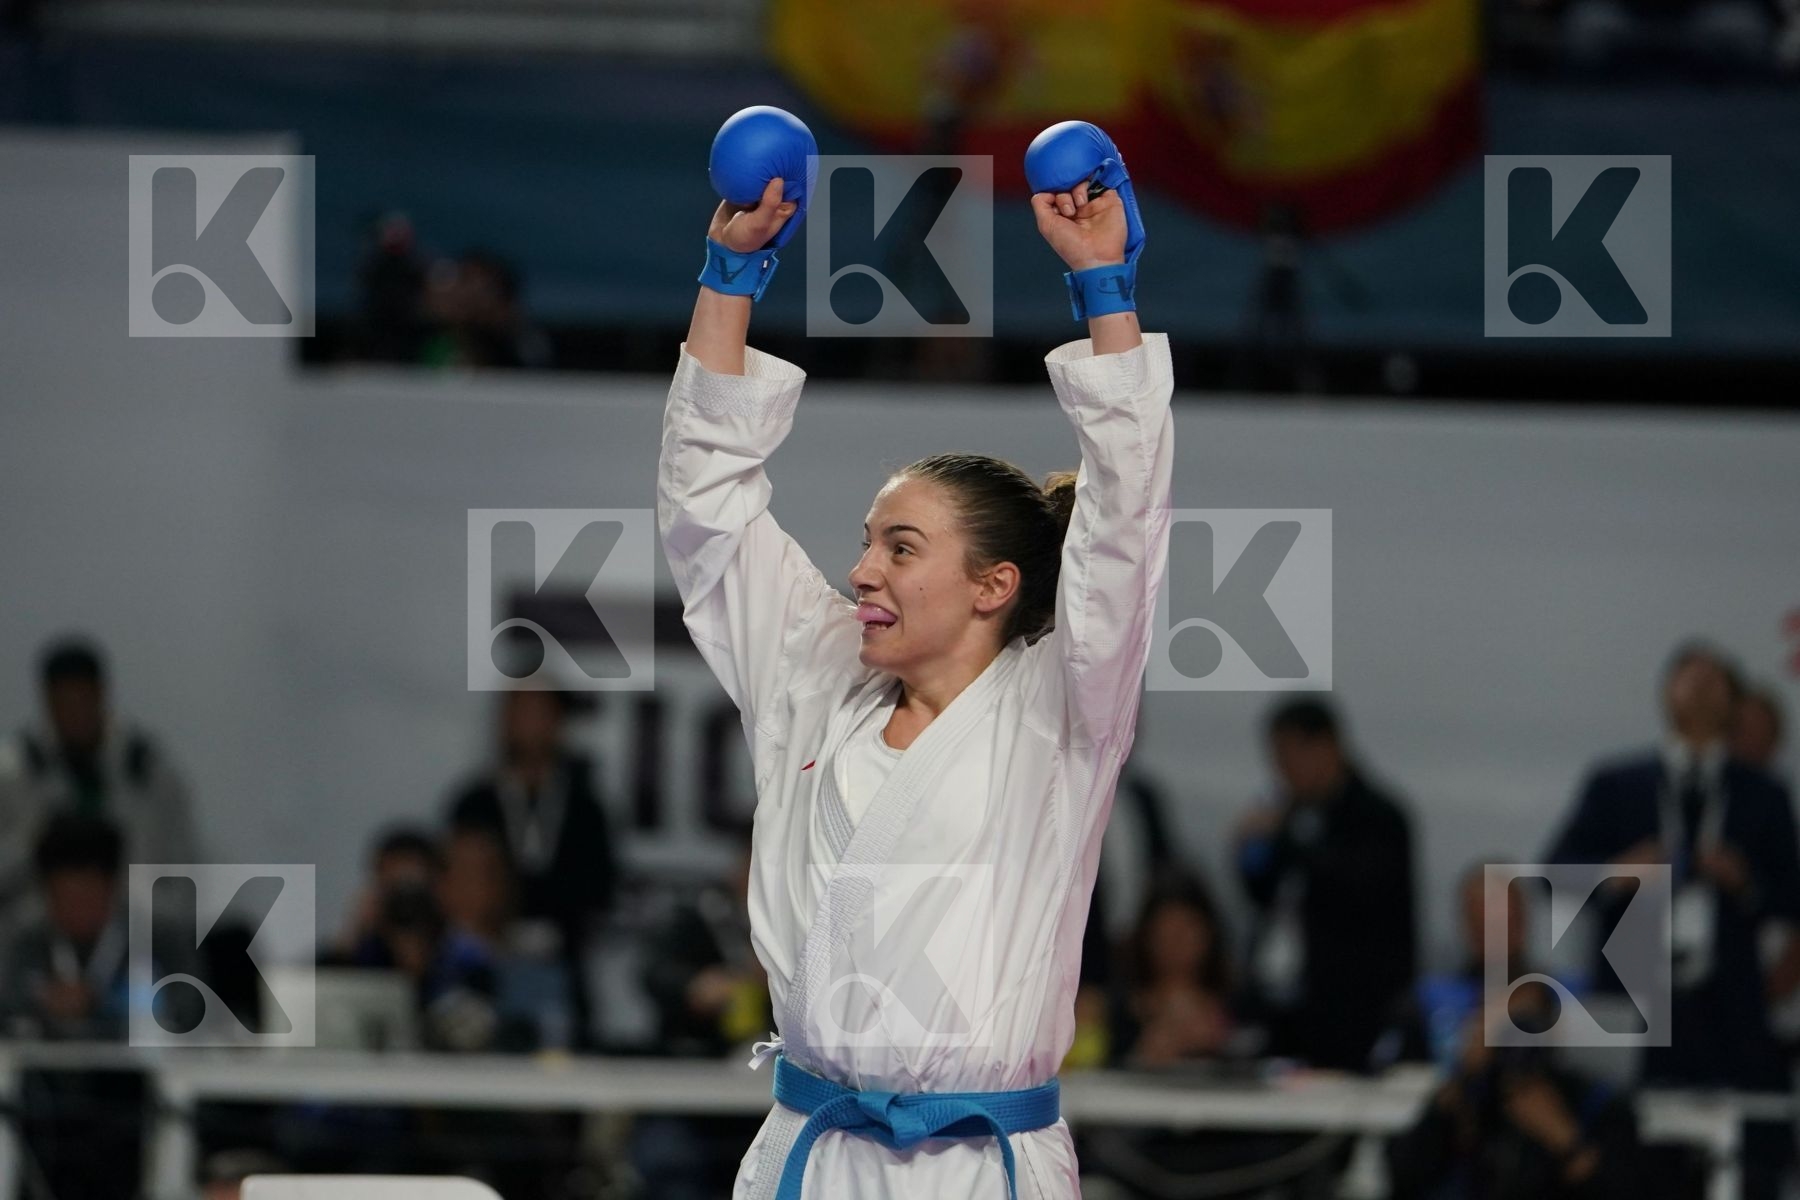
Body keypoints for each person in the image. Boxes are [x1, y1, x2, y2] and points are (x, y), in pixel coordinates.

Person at [658, 113, 1172, 1198]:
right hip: (813, 1151)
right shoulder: (814, 671)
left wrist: (1106, 294)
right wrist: (732, 270)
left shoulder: (1062, 713)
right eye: (864, 545)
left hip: (984, 1168)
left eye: (901, 548)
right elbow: (706, 511)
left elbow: (1123, 528)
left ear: (995, 587)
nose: (863, 575)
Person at [1546, 639, 1800, 1200]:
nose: (1703, 690)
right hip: (1633, 1003)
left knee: (1741, 1161)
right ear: (1665, 693)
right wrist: (1620, 870)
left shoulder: (1762, 795)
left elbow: (1791, 893)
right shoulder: (1619, 784)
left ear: (1734, 703)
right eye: (1690, 677)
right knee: (1628, 1158)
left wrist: (1747, 882)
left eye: (1716, 681)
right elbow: (1556, 876)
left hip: (1726, 1011)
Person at [1234, 697, 1418, 1070]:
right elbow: (1264, 898)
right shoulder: (1291, 813)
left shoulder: (1379, 818)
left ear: (1325, 747)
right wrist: (1250, 850)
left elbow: (1359, 892)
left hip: (1353, 1012)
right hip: (1283, 1006)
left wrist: (1288, 840)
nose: (1282, 771)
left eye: (1288, 758)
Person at [447, 687, 618, 1047]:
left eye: (541, 712)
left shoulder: (585, 809)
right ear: (504, 721)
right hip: (483, 965)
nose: (531, 724)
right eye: (522, 711)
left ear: (560, 722)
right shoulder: (475, 801)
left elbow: (601, 889)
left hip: (564, 965)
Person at [0, 636, 200, 928]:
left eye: (82, 700)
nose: (73, 715)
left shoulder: (149, 774)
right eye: (62, 704)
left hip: (135, 929)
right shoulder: (12, 774)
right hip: (35, 933)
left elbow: (183, 877)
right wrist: (34, 836)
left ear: (101, 694)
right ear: (46, 701)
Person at [1386, 987, 1647, 1200]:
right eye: (1503, 1028)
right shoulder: (1468, 1096)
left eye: (1526, 1025)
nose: (1516, 1041)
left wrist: (1566, 1140)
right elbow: (1404, 1178)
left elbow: (1629, 1189)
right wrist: (1461, 1083)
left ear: (1552, 1031)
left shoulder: (1594, 1103)